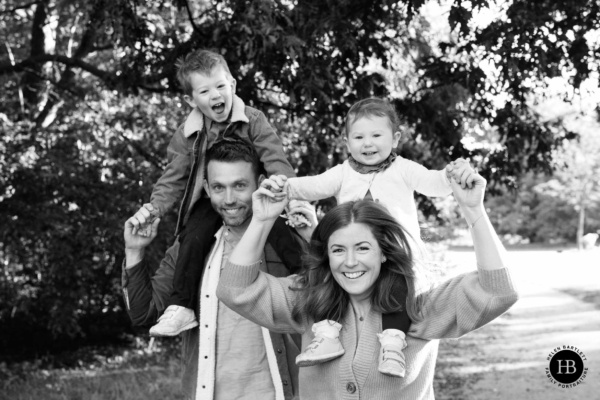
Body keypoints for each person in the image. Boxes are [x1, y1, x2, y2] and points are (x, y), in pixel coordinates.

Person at [216, 166, 519, 399]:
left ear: (384, 253)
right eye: (338, 250)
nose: (350, 262)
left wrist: (474, 210)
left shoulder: (420, 303)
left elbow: (499, 291)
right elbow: (235, 289)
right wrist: (262, 220)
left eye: (362, 248)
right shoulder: (308, 299)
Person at [275, 97, 464, 378]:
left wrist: (449, 176)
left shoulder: (404, 169)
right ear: (347, 142)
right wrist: (286, 186)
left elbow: (432, 183)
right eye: (359, 136)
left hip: (397, 250)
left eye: (376, 135)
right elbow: (314, 185)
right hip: (354, 250)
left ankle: (392, 346)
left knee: (398, 289)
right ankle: (327, 335)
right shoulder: (343, 173)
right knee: (328, 282)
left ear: (395, 138)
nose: (368, 143)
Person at [127, 49, 304, 337]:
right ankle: (181, 306)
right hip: (207, 204)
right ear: (190, 100)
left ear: (232, 85)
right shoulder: (189, 133)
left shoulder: (253, 120)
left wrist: (293, 196)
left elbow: (275, 159)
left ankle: (309, 281)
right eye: (205, 90)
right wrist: (155, 208)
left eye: (221, 86)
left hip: (260, 199)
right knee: (193, 237)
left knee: (280, 232)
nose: (216, 95)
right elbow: (173, 177)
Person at [122, 140, 315, 400]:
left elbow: (329, 297)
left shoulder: (286, 238)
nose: (229, 199)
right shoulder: (191, 247)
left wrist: (314, 237)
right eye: (218, 187)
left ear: (258, 183)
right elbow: (143, 312)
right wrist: (134, 251)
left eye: (239, 185)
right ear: (206, 189)